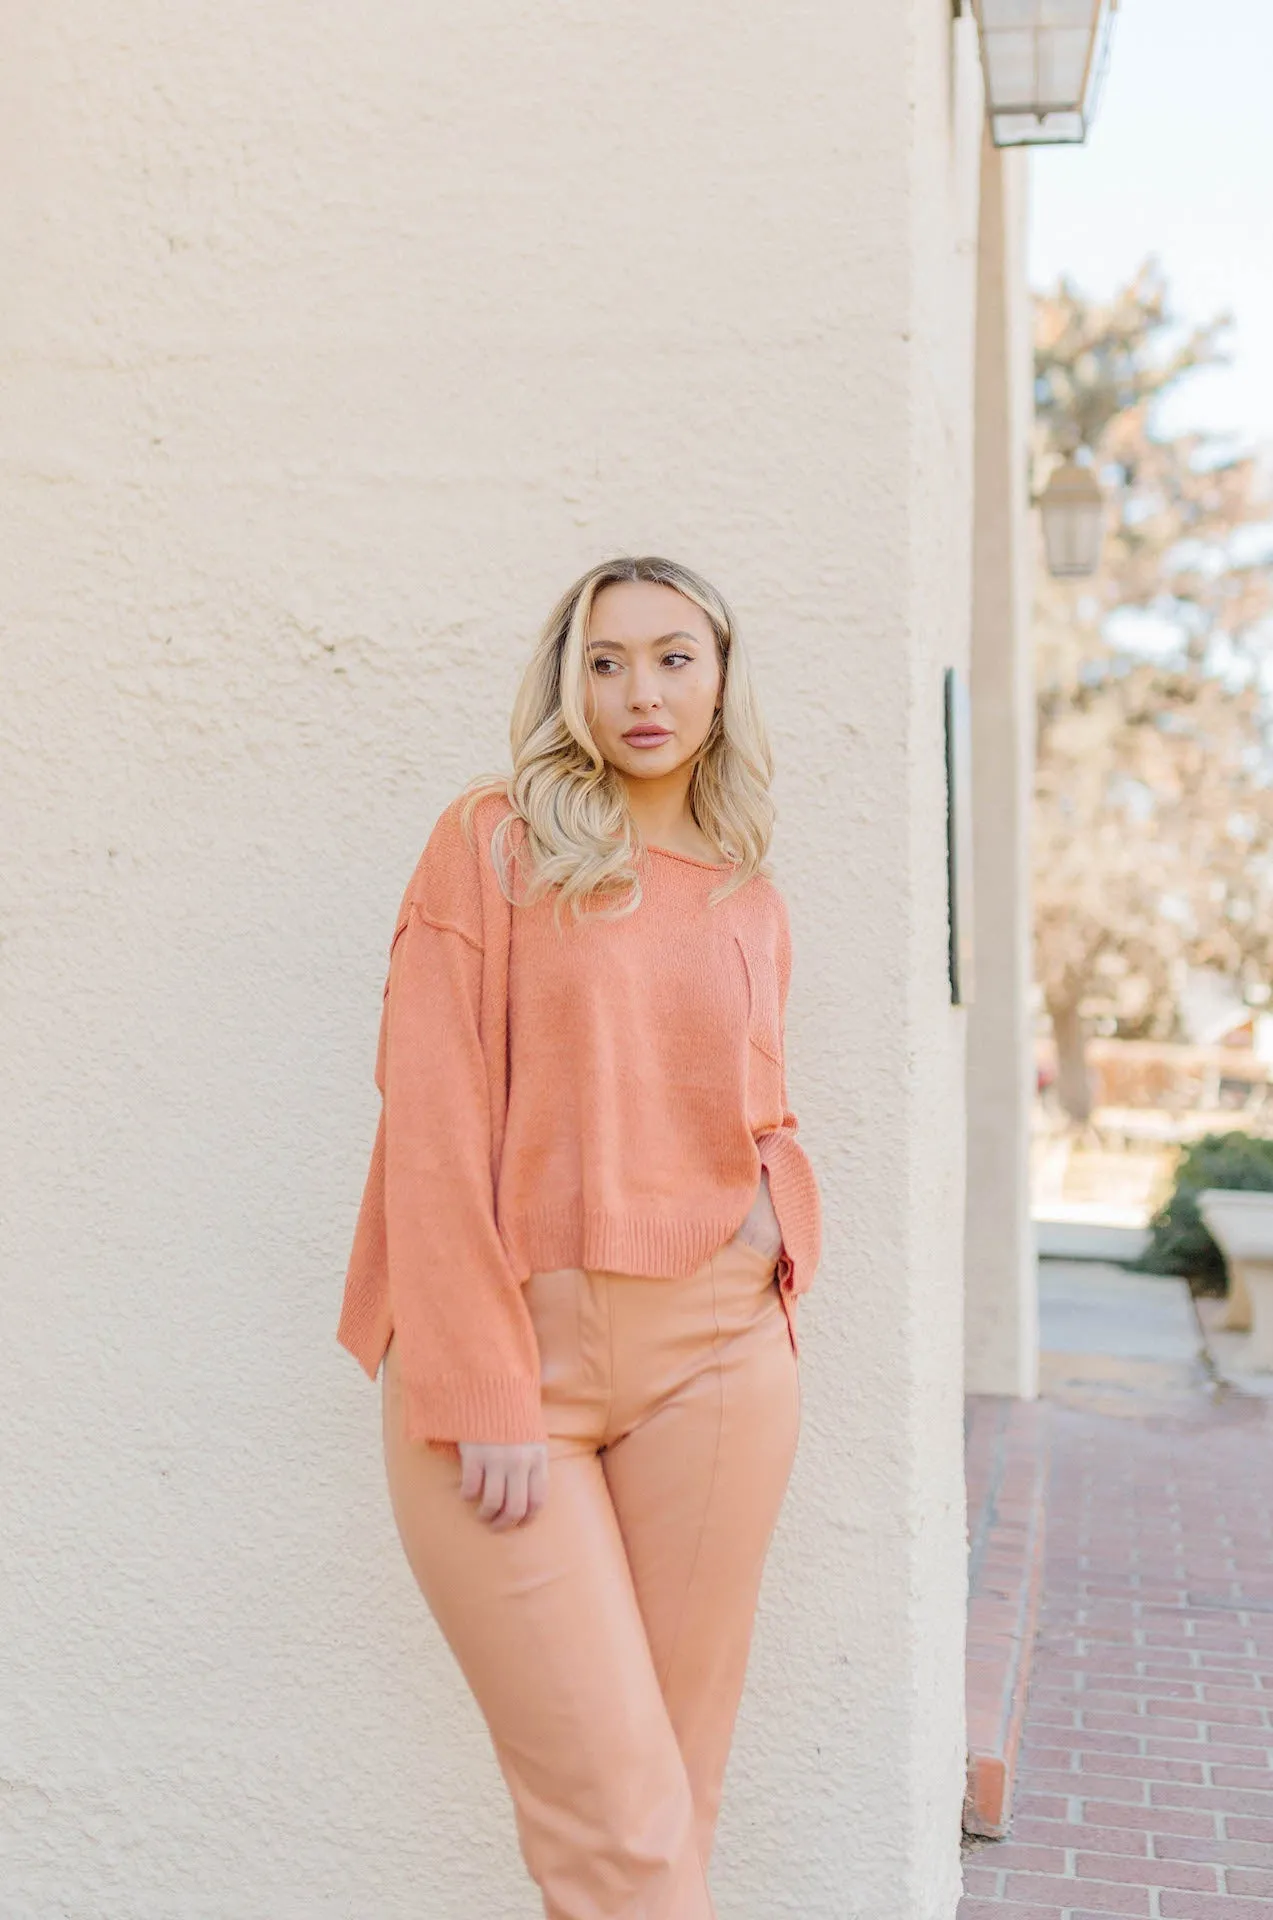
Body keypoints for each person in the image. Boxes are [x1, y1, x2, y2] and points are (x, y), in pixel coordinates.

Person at [336, 554, 822, 1919]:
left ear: (723, 682)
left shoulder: (747, 897)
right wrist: (476, 1377)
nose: (640, 690)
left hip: (721, 1358)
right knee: (619, 1837)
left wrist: (782, 1238)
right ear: (569, 685)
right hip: (513, 1364)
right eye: (604, 662)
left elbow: (752, 1108)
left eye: (674, 656)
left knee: (671, 1807)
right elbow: (429, 1122)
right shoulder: (492, 840)